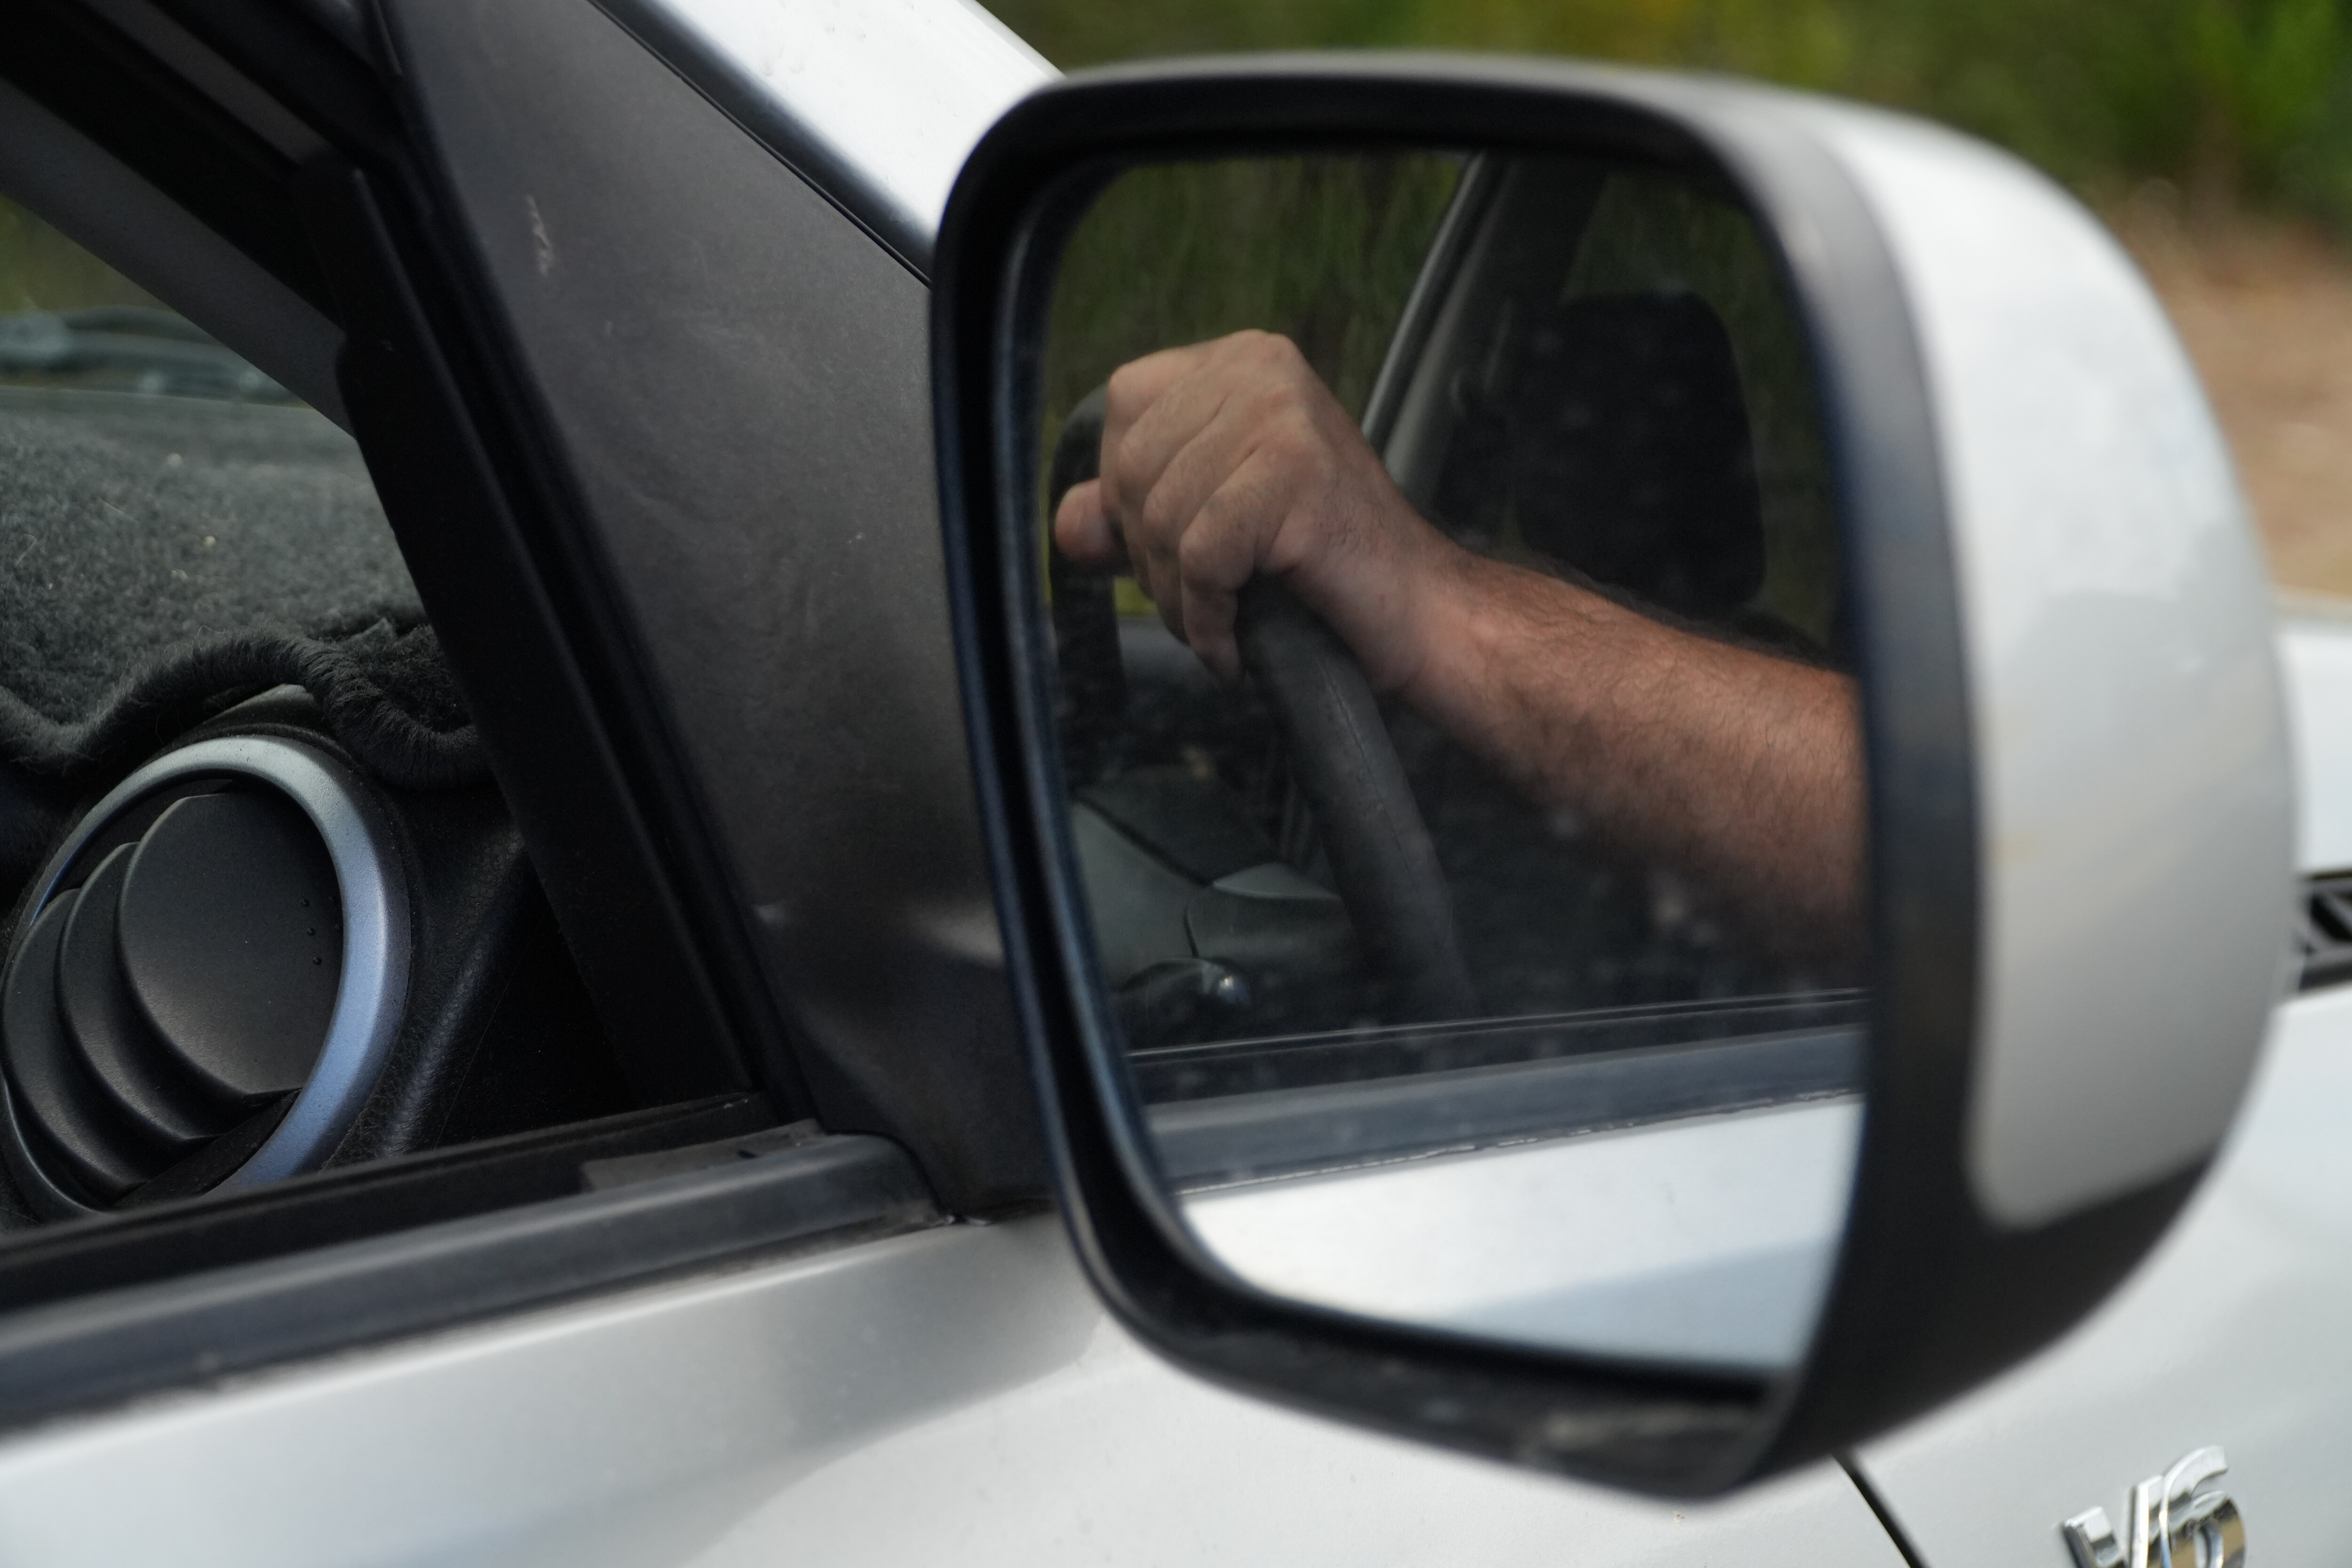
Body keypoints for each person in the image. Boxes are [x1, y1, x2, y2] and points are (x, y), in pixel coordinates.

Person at [1053, 330, 1864, 958]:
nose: (1567, 453)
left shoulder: (1431, 652)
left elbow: (1932, 834)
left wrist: (1432, 594)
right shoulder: (1411, 702)